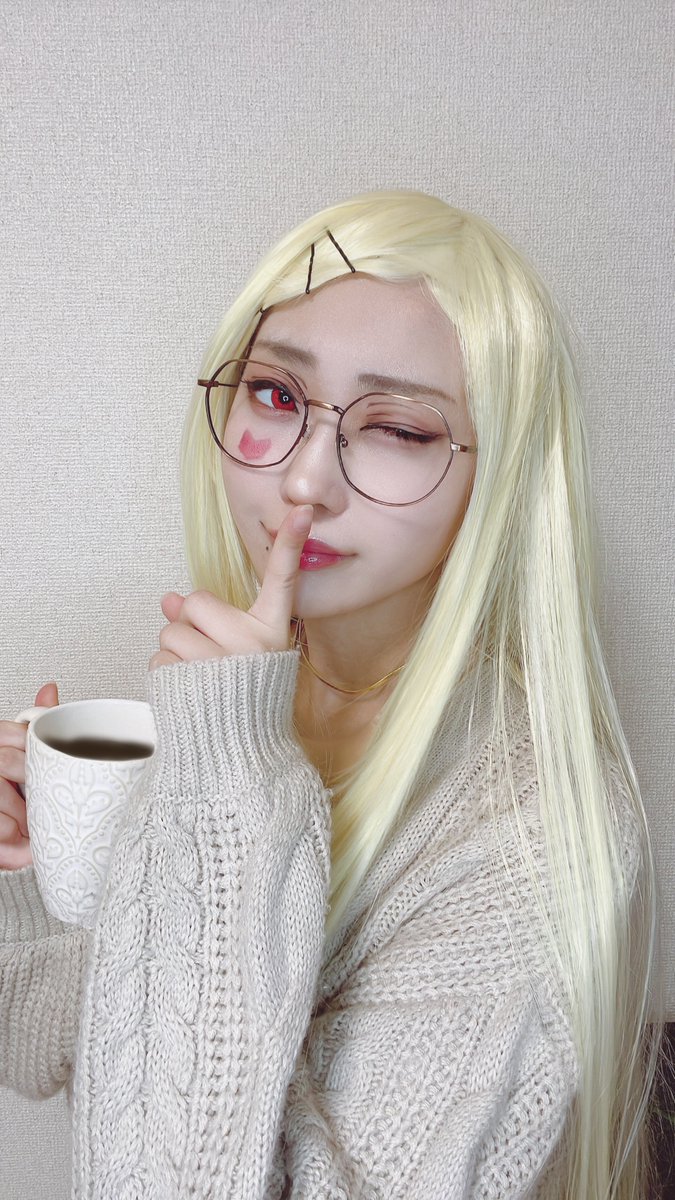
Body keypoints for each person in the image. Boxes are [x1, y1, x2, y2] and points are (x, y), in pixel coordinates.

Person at [0, 189, 667, 1198]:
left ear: (500, 477)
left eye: (395, 427)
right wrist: (31, 883)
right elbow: (65, 1048)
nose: (306, 481)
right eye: (275, 394)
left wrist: (222, 784)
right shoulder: (240, 702)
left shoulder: (538, 830)